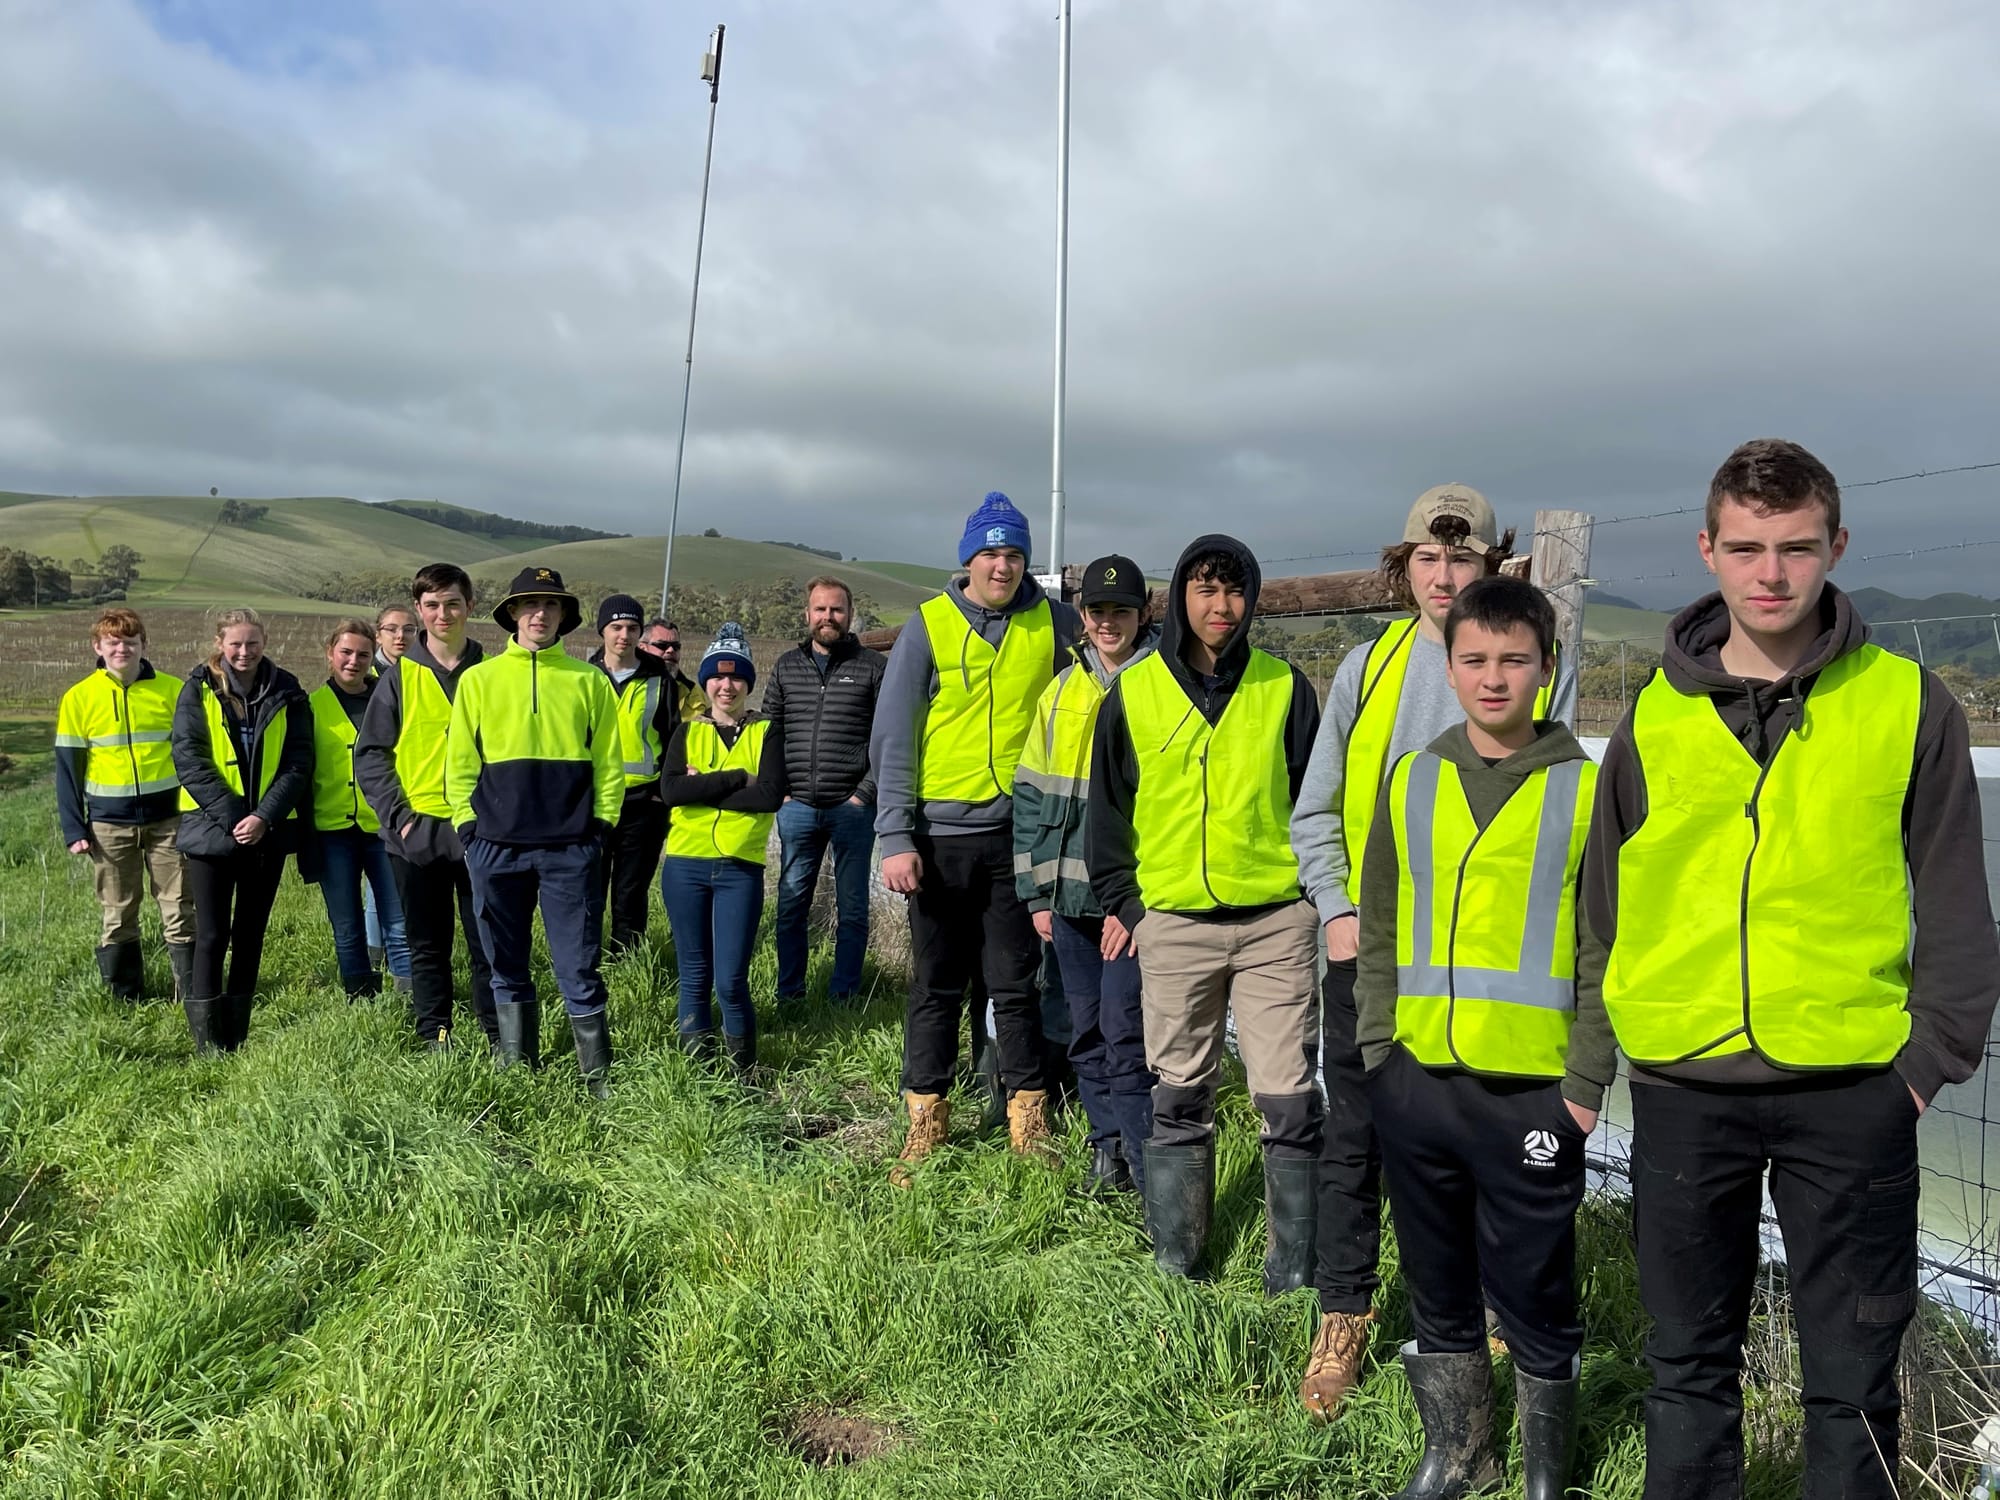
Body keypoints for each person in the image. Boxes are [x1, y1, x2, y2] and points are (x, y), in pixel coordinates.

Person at [1585, 439, 1999, 1500]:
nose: (1769, 573)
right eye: (1745, 548)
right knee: (1682, 1369)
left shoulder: (1908, 704)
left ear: (1834, 548)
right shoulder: (1651, 714)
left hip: (1853, 1093)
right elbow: (1602, 903)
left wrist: (1922, 1065)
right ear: (1707, 551)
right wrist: (1608, 1051)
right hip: (1680, 1087)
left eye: (1794, 548)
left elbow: (1956, 905)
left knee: (1852, 1383)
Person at [1288, 484, 1578, 1419]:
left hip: (1496, 976)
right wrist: (1337, 909)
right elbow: (1317, 808)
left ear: (1493, 568)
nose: (1445, 576)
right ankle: (1345, 1315)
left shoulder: (1538, 663)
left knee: (1488, 1156)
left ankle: (1492, 1323)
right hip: (1376, 956)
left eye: (1464, 560)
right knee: (1353, 1140)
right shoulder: (1365, 669)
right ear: (1402, 567)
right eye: (1427, 559)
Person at [1357, 576, 1604, 1500]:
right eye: (1475, 660)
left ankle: (1548, 1471)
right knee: (1435, 1274)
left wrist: (1585, 1080)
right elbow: (1378, 924)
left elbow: (1601, 946)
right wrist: (1379, 1050)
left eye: (1514, 660)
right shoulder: (1413, 776)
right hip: (1418, 1078)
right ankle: (1457, 1453)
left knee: (1535, 1282)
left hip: (1536, 1090)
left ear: (1547, 666)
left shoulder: (1588, 789)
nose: (1493, 678)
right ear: (1450, 667)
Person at [1089, 535, 1323, 1289]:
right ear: (1178, 600)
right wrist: (1130, 905)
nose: (1221, 607)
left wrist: (1315, 900)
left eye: (1234, 591)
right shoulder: (1134, 693)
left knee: (1286, 1096)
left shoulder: (1285, 688)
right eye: (1205, 590)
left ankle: (1291, 1275)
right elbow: (1108, 812)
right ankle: (1178, 1261)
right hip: (1176, 926)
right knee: (1179, 1091)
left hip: (1275, 924)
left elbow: (1317, 802)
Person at [871, 492, 1081, 1180]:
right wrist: (895, 834)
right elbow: (894, 736)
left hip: (1015, 835)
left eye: (1015, 554)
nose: (1003, 565)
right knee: (936, 984)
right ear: (968, 560)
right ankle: (926, 1121)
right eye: (991, 553)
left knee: (1014, 985)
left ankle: (1027, 1122)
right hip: (936, 838)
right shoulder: (927, 626)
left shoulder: (1053, 623)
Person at [1013, 554, 1160, 1194]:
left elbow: (1166, 811)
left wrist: (1132, 907)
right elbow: (1029, 794)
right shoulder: (1061, 691)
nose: (1108, 623)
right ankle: (1107, 1149)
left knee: (1129, 1033)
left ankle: (1146, 1155)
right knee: (1084, 1029)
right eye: (1098, 612)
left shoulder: (1162, 689)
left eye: (1121, 611)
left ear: (1143, 615)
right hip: (1063, 896)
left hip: (1126, 901)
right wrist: (1035, 891)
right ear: (1083, 616)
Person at [447, 566, 623, 1093]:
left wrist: (601, 830)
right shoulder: (478, 680)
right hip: (495, 850)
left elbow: (609, 764)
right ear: (513, 614)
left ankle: (598, 1081)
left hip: (570, 850)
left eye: (551, 606)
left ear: (564, 617)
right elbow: (459, 764)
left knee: (579, 967)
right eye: (530, 605)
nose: (540, 614)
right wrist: (468, 831)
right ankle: (517, 1073)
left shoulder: (589, 681)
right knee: (505, 964)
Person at [355, 563, 500, 1051]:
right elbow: (371, 755)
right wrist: (401, 818)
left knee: (489, 944)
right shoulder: (397, 679)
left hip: (481, 832)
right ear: (418, 610)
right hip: (415, 835)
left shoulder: (492, 674)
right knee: (427, 944)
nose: (443, 613)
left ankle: (498, 1035)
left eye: (453, 603)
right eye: (432, 605)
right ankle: (434, 1034)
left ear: (470, 607)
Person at [169, 607, 313, 1053]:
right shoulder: (197, 689)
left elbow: (298, 761)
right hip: (211, 832)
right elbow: (189, 758)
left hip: (266, 832)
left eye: (252, 643)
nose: (244, 651)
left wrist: (264, 817)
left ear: (265, 641)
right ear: (220, 643)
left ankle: (236, 1033)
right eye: (235, 643)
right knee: (212, 935)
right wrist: (236, 817)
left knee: (251, 933)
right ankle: (206, 1040)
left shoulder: (288, 690)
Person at [659, 626, 786, 1073]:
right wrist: (735, 779)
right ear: (706, 682)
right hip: (685, 867)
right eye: (716, 677)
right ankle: (697, 1074)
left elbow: (770, 795)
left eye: (735, 678)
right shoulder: (685, 733)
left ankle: (742, 1075)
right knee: (693, 976)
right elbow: (672, 791)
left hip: (739, 869)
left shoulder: (767, 733)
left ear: (748, 684)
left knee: (731, 979)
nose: (725, 686)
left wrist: (703, 786)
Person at [55, 607, 196, 1004]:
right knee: (118, 913)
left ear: (143, 645)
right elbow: (68, 767)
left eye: (130, 641)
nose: (122, 648)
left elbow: (193, 754)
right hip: (108, 825)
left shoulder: (173, 690)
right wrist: (73, 828)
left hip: (170, 819)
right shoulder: (79, 698)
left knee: (181, 909)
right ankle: (125, 998)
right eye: (113, 642)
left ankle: (190, 996)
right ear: (97, 647)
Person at [765, 576, 885, 1005]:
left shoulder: (872, 666)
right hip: (796, 807)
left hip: (852, 809)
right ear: (807, 614)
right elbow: (770, 733)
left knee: (852, 909)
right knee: (792, 905)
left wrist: (865, 793)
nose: (828, 617)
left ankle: (845, 996)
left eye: (836, 609)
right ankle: (789, 995)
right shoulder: (786, 666)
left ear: (849, 615)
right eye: (820, 609)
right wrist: (779, 793)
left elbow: (887, 737)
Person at [304, 619, 411, 997]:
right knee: (347, 925)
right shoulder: (310, 706)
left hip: (385, 829)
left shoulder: (391, 700)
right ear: (330, 654)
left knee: (398, 921)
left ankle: (407, 1000)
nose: (354, 661)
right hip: (332, 832)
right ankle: (360, 999)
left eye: (363, 654)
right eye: (346, 653)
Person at [587, 594, 678, 956]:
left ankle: (626, 964)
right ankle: (586, 960)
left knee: (631, 892)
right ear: (602, 631)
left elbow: (673, 742)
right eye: (616, 627)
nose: (623, 635)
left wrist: (663, 795)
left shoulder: (660, 680)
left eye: (632, 628)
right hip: (592, 803)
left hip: (644, 806)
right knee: (589, 890)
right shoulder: (583, 677)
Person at [640, 618, 706, 722]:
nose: (670, 650)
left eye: (676, 646)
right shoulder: (629, 687)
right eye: (662, 645)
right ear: (642, 648)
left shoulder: (693, 692)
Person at [374, 605, 416, 670]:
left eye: (408, 630)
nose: (401, 635)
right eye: (391, 629)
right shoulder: (364, 669)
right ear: (378, 636)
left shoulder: (426, 670)